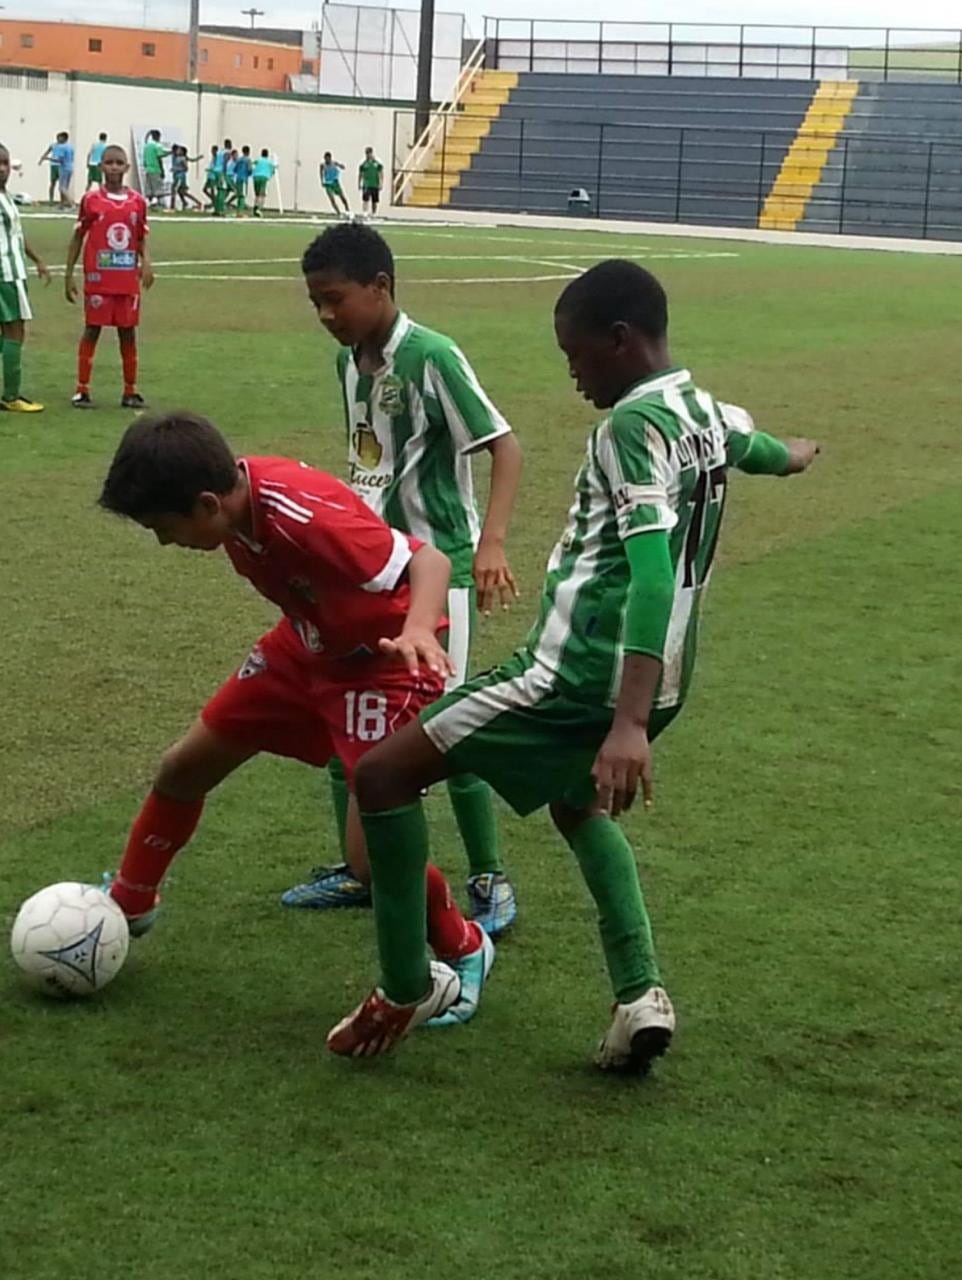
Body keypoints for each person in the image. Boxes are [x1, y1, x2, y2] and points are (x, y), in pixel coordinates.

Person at [323, 259, 820, 1064]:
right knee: (578, 806)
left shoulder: (629, 428)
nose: (573, 373)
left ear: (621, 342)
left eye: (577, 354)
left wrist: (625, 724)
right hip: (666, 680)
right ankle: (639, 992)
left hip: (573, 676)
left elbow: (652, 571)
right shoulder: (703, 410)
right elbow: (753, 446)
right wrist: (794, 454)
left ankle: (406, 987)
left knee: (380, 776)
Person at [98, 411, 493, 1028]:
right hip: (305, 649)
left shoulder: (308, 520)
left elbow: (431, 562)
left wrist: (417, 629)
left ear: (207, 504)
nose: (163, 541)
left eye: (163, 527)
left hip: (380, 666)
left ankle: (465, 944)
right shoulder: (232, 505)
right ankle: (129, 902)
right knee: (183, 767)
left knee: (373, 860)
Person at [293, 223, 523, 936]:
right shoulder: (348, 364)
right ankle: (361, 868)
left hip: (438, 566)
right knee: (347, 722)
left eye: (337, 300)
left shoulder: (431, 357)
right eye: (316, 304)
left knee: (445, 732)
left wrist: (491, 543)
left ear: (381, 287)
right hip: (367, 571)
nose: (328, 316)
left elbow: (504, 447)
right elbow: (371, 464)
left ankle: (489, 876)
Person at [65, 144, 153, 410]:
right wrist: (68, 274)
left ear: (127, 167)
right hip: (98, 278)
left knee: (128, 333)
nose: (114, 167)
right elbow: (78, 236)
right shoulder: (91, 200)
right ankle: (82, 389)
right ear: (100, 166)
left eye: (119, 163)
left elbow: (141, 237)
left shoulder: (138, 201)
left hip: (126, 279)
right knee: (92, 330)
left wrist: (146, 262)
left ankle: (130, 391)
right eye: (109, 162)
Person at [0, 143, 51, 412]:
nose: (2, 169)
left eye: (5, 163)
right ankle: (11, 396)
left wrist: (37, 259)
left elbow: (15, 235)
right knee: (15, 330)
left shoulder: (7, 197)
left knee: (8, 331)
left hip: (14, 270)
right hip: (5, 274)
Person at [39, 132, 74, 209]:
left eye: (60, 137)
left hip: (63, 168)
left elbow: (60, 159)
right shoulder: (70, 147)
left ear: (64, 138)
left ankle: (71, 204)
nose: (58, 139)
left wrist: (47, 158)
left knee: (62, 188)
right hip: (69, 167)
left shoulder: (63, 147)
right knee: (62, 186)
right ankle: (61, 204)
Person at [142, 130, 170, 209]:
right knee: (158, 188)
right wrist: (162, 170)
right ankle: (160, 204)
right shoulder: (157, 146)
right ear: (158, 136)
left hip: (148, 169)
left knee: (149, 188)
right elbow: (159, 157)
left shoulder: (147, 146)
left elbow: (144, 159)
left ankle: (149, 204)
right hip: (155, 169)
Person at [170, 145, 203, 211]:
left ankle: (172, 206)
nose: (177, 151)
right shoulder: (176, 157)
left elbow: (186, 168)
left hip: (180, 176)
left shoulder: (182, 158)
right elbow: (192, 159)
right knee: (181, 191)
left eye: (179, 150)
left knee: (175, 190)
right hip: (177, 176)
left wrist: (177, 169)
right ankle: (187, 202)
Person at [320, 152, 349, 218]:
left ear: (330, 158)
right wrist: (322, 181)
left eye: (328, 158)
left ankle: (348, 211)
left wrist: (341, 166)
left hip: (335, 183)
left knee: (343, 198)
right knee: (332, 199)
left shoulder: (334, 163)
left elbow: (342, 167)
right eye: (325, 159)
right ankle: (339, 213)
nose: (327, 160)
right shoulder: (323, 165)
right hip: (328, 184)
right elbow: (321, 173)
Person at [358, 147, 383, 218]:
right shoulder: (363, 163)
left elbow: (380, 173)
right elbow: (361, 174)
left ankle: (374, 213)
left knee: (374, 200)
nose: (368, 155)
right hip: (366, 183)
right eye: (367, 153)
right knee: (365, 198)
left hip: (375, 184)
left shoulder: (377, 162)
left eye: (369, 153)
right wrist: (359, 183)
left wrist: (381, 183)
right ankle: (365, 212)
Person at [251, 149, 276, 217]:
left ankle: (255, 205)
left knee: (257, 194)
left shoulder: (258, 160)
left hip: (255, 177)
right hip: (263, 177)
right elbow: (273, 170)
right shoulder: (269, 162)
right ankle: (259, 208)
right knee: (262, 194)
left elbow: (252, 164)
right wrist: (270, 174)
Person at [233, 145, 253, 216]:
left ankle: (238, 211)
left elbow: (235, 169)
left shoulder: (239, 160)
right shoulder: (248, 160)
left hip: (238, 179)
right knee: (243, 196)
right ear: (248, 152)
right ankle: (240, 213)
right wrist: (250, 173)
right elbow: (250, 169)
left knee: (239, 196)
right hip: (244, 179)